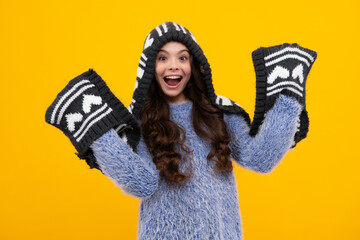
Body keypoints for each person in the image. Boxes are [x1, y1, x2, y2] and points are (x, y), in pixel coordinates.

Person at [45, 21, 317, 240]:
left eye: (182, 57)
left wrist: (287, 96)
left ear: (194, 66)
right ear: (151, 68)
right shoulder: (141, 122)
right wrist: (97, 129)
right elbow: (141, 182)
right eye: (163, 58)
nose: (173, 65)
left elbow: (261, 158)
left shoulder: (219, 113)